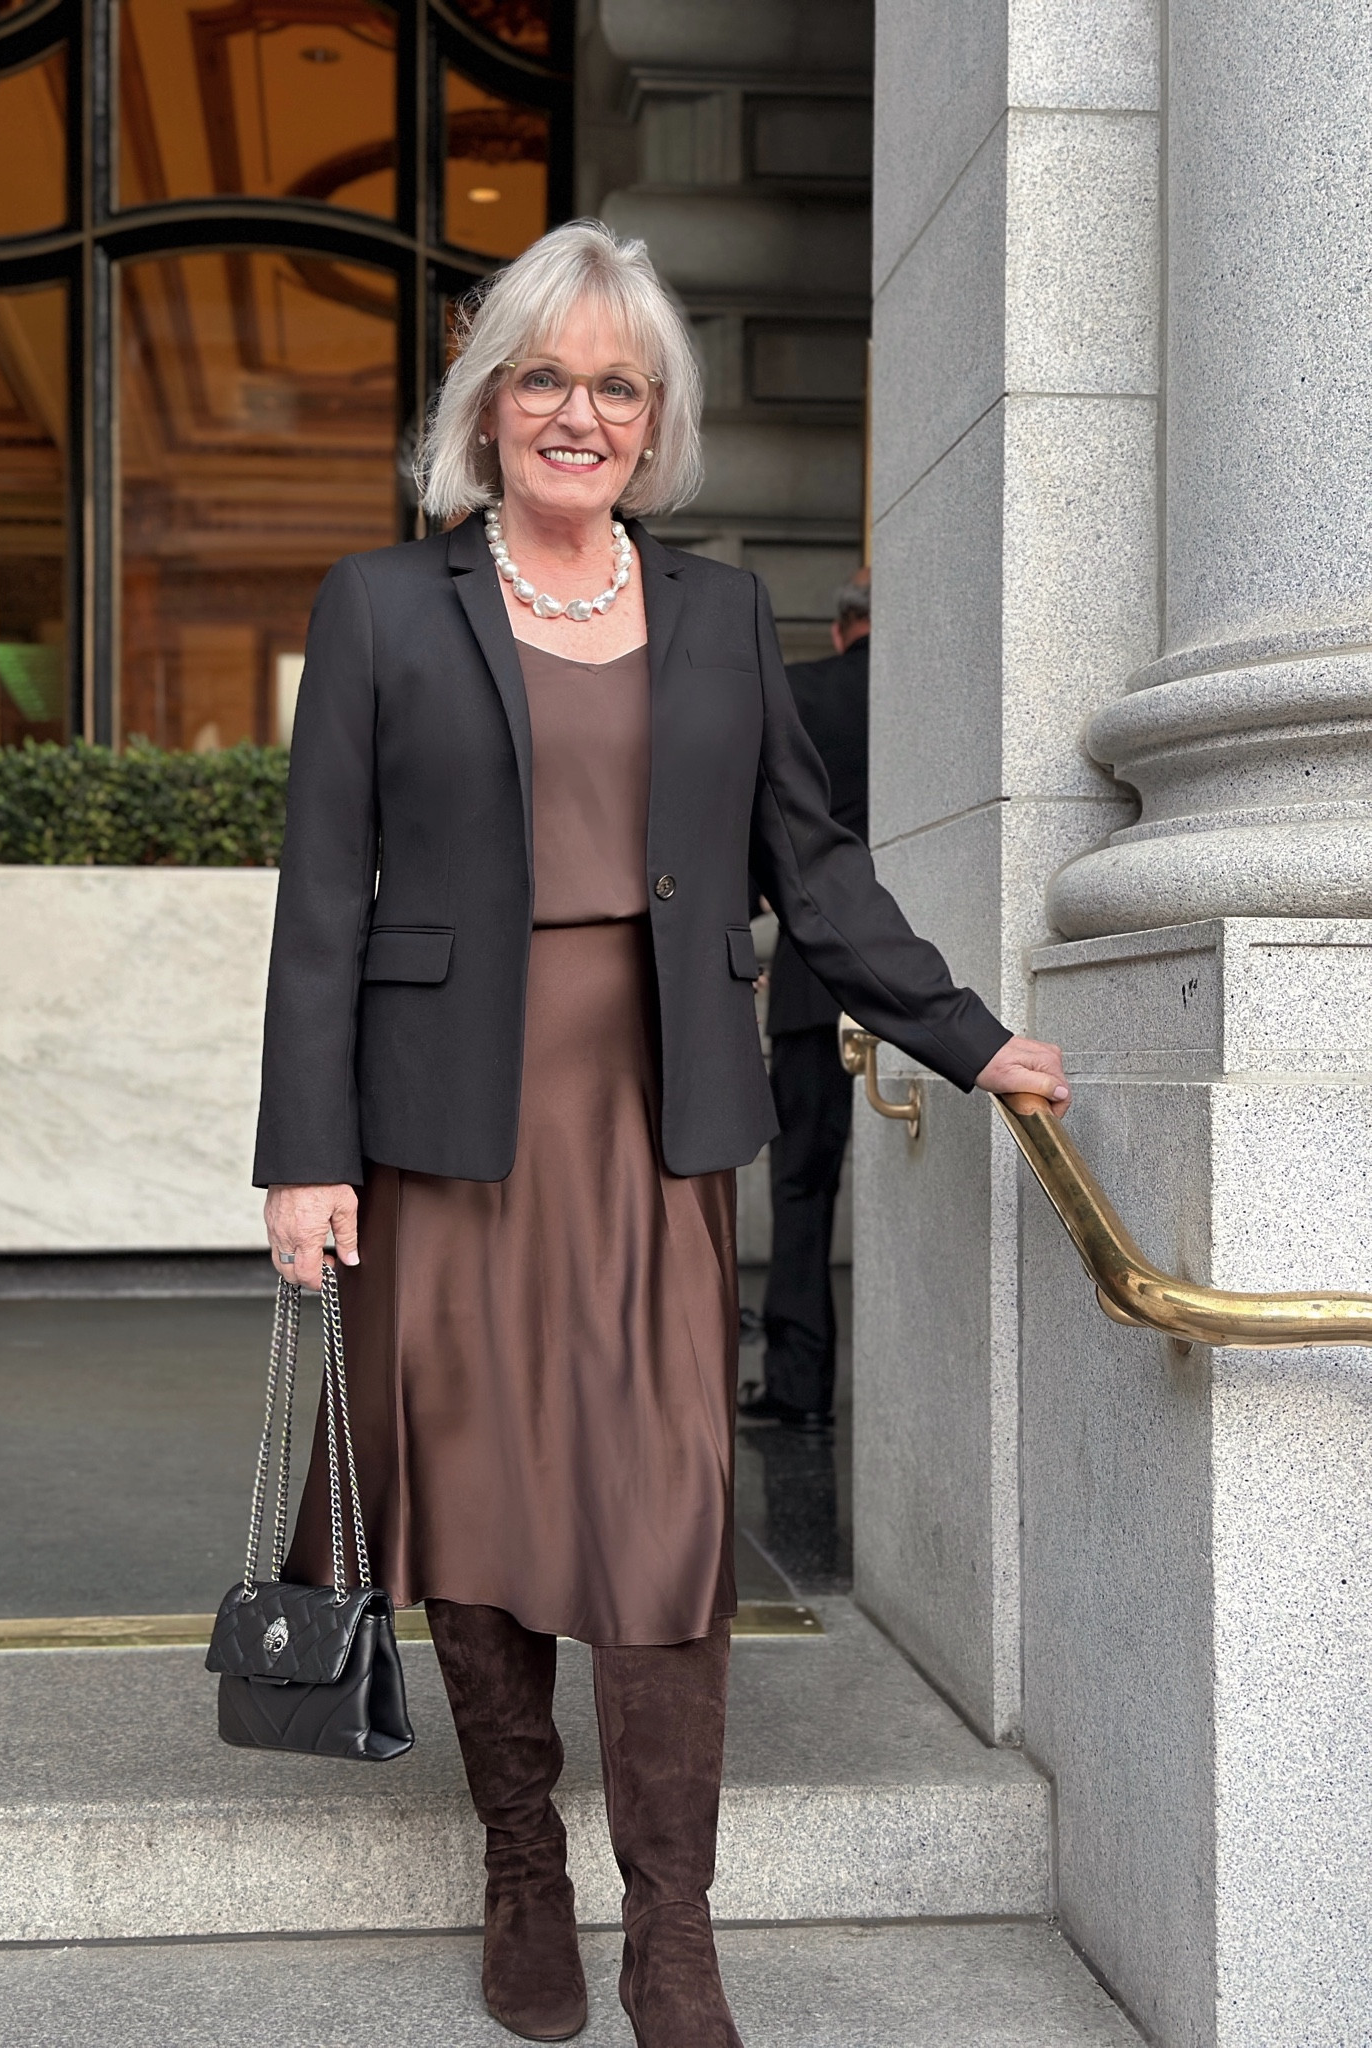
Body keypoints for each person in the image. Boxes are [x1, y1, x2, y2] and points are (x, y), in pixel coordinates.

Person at [253, 220, 1069, 2048]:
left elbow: (809, 859)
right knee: (471, 1499)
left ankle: (674, 1929)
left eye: (617, 386)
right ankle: (524, 1863)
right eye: (544, 376)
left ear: (654, 420)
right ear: (487, 402)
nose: (579, 413)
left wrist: (968, 1032)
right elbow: (320, 899)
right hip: (441, 1124)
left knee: (660, 1506)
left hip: (650, 1113)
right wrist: (302, 1158)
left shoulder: (714, 613)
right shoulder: (382, 606)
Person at [740, 572, 871, 1432]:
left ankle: (799, 1384)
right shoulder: (935, 693)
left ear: (840, 629)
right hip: (936, 963)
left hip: (813, 982)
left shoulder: (802, 688)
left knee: (802, 1191)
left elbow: (758, 819)